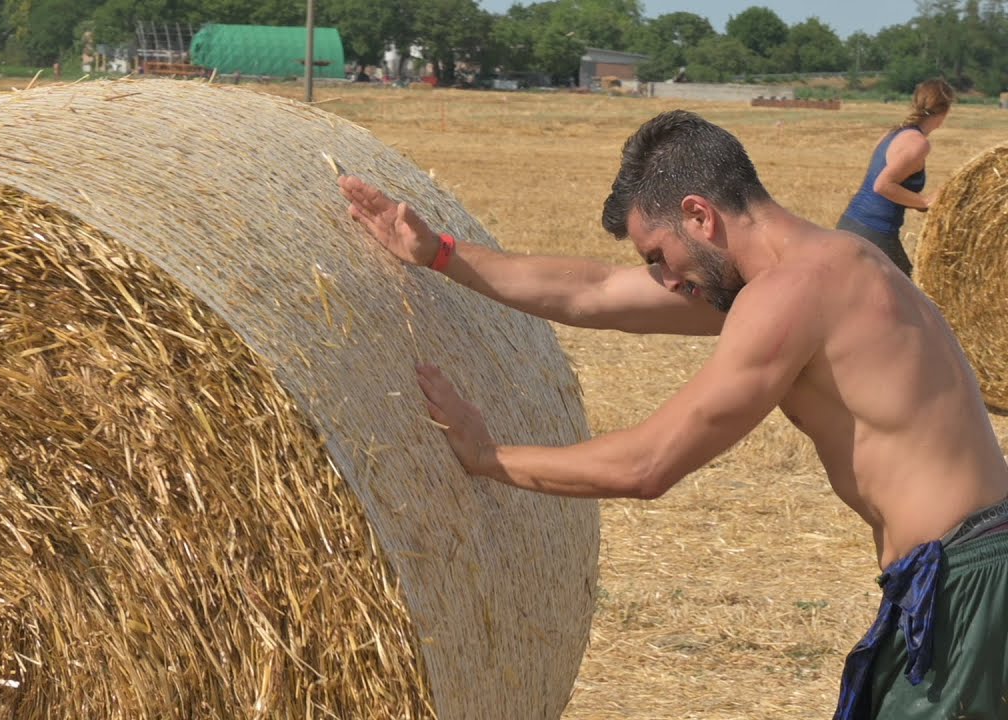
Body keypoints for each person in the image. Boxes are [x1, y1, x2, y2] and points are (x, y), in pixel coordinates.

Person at [339, 109, 1008, 719]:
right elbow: (594, 292)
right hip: (965, 572)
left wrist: (490, 459)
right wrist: (438, 253)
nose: (665, 279)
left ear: (700, 215)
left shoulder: (793, 294)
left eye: (658, 256)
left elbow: (649, 464)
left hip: (965, 584)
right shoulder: (826, 263)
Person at [836, 78, 955, 277]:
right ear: (945, 111)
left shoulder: (894, 133)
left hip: (850, 224)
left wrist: (920, 203)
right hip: (875, 232)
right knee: (914, 298)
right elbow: (882, 185)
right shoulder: (918, 143)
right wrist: (924, 201)